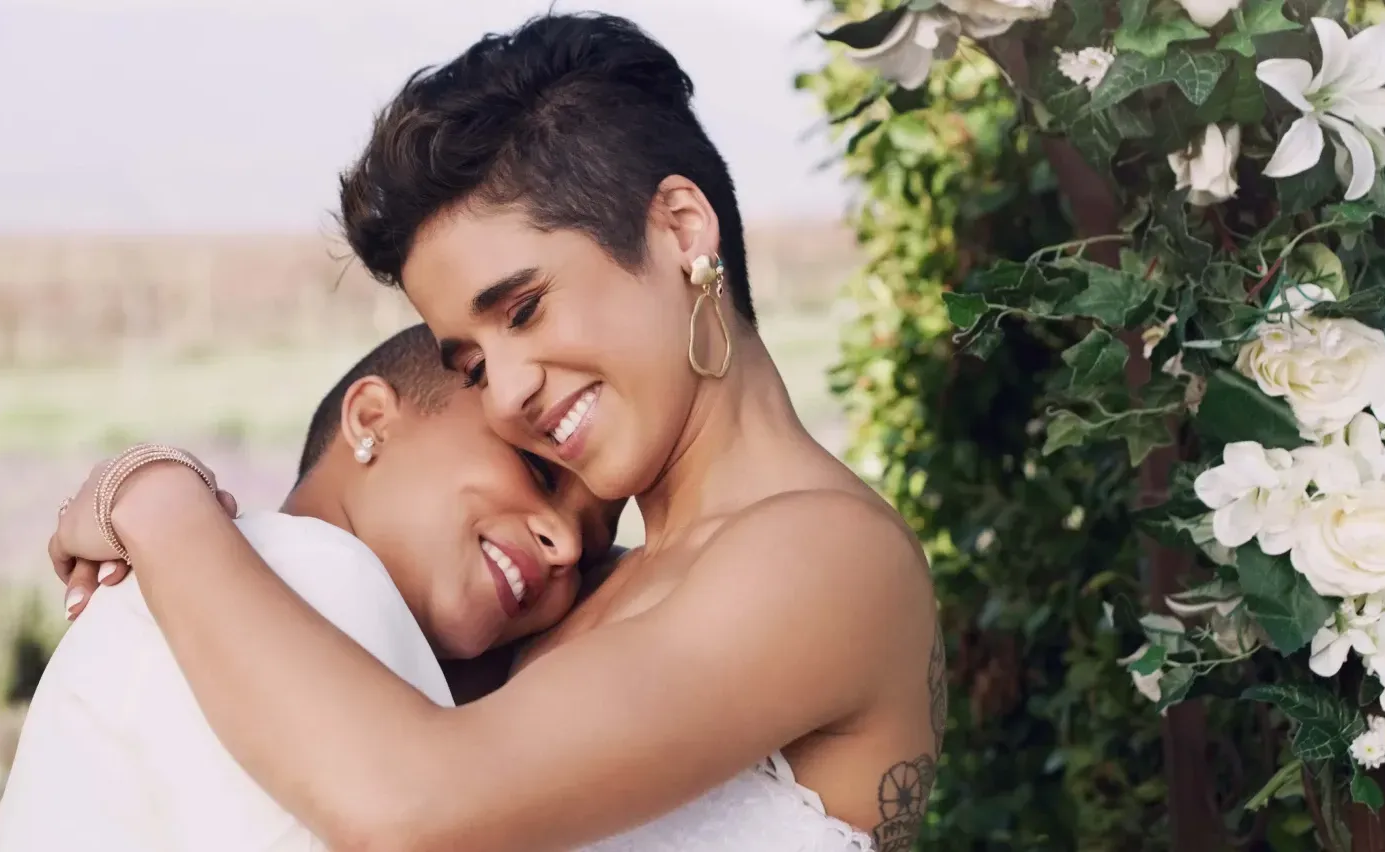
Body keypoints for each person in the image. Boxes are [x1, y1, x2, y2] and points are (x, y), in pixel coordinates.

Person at [47, 13, 940, 852]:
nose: (508, 393)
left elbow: (411, 805)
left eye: (525, 307)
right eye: (470, 364)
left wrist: (157, 499)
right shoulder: (577, 596)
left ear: (679, 228)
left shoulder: (827, 555)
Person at [0, 324, 618, 851]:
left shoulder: (239, 578)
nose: (564, 544)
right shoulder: (314, 574)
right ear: (372, 420)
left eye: (588, 550)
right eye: (537, 470)